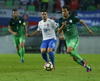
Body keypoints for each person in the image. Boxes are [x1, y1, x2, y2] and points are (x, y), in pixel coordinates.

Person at [58, 5, 94, 72]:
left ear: (68, 11)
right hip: (68, 40)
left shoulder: (73, 18)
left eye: (65, 11)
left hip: (74, 38)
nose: (63, 13)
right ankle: (88, 67)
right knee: (74, 58)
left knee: (68, 50)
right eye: (62, 11)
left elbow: (81, 22)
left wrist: (88, 30)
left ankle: (82, 60)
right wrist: (63, 25)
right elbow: (59, 31)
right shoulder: (60, 20)